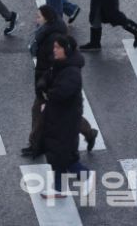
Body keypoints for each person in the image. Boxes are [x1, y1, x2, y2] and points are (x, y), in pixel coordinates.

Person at [21, 7, 97, 158]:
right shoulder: (46, 31)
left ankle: (36, 145)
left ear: (47, 19)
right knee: (42, 112)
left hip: (52, 83)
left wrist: (47, 83)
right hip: (45, 79)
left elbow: (55, 64)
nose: (36, 19)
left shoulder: (52, 38)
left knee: (53, 115)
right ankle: (36, 144)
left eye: (39, 17)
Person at [39, 36, 95, 200]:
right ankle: (58, 189)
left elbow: (62, 93)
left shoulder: (71, 72)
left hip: (65, 120)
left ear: (67, 49)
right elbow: (49, 78)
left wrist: (47, 97)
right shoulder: (61, 64)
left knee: (64, 156)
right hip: (59, 117)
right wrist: (44, 84)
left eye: (58, 47)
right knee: (57, 156)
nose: (54, 50)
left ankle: (86, 175)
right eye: (54, 47)